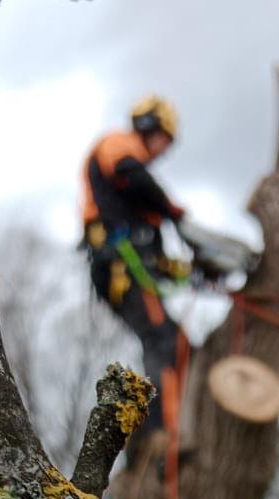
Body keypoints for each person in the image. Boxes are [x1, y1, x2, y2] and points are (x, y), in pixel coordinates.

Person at [80, 95, 195, 458]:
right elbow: (136, 177)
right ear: (150, 128)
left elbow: (154, 244)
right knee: (164, 339)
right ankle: (162, 437)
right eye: (164, 139)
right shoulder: (118, 145)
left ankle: (146, 440)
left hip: (128, 266)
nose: (164, 151)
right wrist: (173, 210)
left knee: (175, 339)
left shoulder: (135, 198)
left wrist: (178, 267)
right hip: (121, 266)